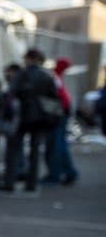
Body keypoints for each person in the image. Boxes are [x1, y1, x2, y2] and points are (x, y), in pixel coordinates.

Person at [6, 48, 56, 193]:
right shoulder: (46, 76)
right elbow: (52, 99)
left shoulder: (21, 75)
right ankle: (31, 183)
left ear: (29, 58)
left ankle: (10, 181)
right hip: (40, 118)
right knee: (34, 152)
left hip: (22, 116)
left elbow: (11, 93)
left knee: (14, 149)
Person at [42, 57, 79, 185]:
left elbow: (53, 98)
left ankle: (56, 174)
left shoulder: (54, 78)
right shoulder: (56, 77)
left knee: (56, 145)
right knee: (60, 145)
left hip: (57, 114)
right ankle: (69, 172)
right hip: (62, 112)